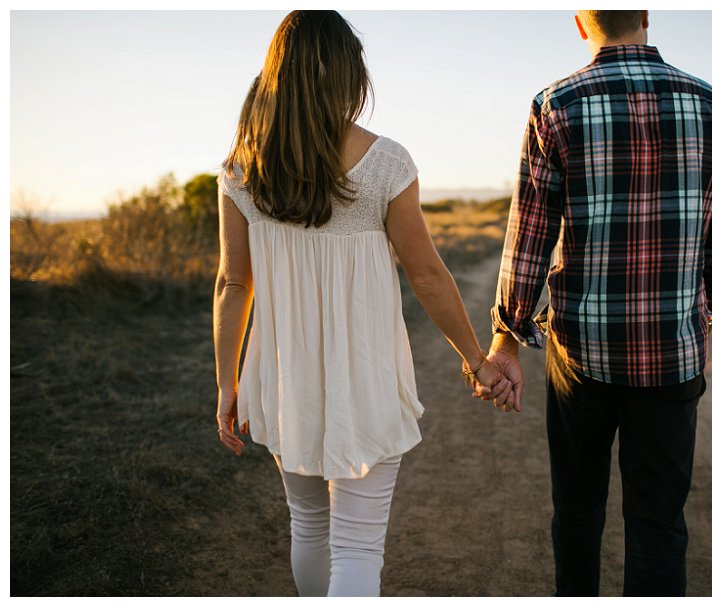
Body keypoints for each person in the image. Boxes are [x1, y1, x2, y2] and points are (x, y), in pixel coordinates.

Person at [212, 11, 512, 597]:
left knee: (309, 528)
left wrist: (228, 384)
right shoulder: (385, 161)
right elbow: (424, 272)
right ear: (350, 73)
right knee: (356, 547)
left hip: (281, 377)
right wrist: (477, 359)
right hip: (366, 375)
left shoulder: (241, 167)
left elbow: (233, 284)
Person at [478, 10, 712, 597]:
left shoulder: (556, 104)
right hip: (674, 353)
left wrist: (507, 334)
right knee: (658, 523)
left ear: (581, 24)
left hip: (581, 354)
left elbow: (530, 232)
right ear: (645, 16)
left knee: (577, 510)